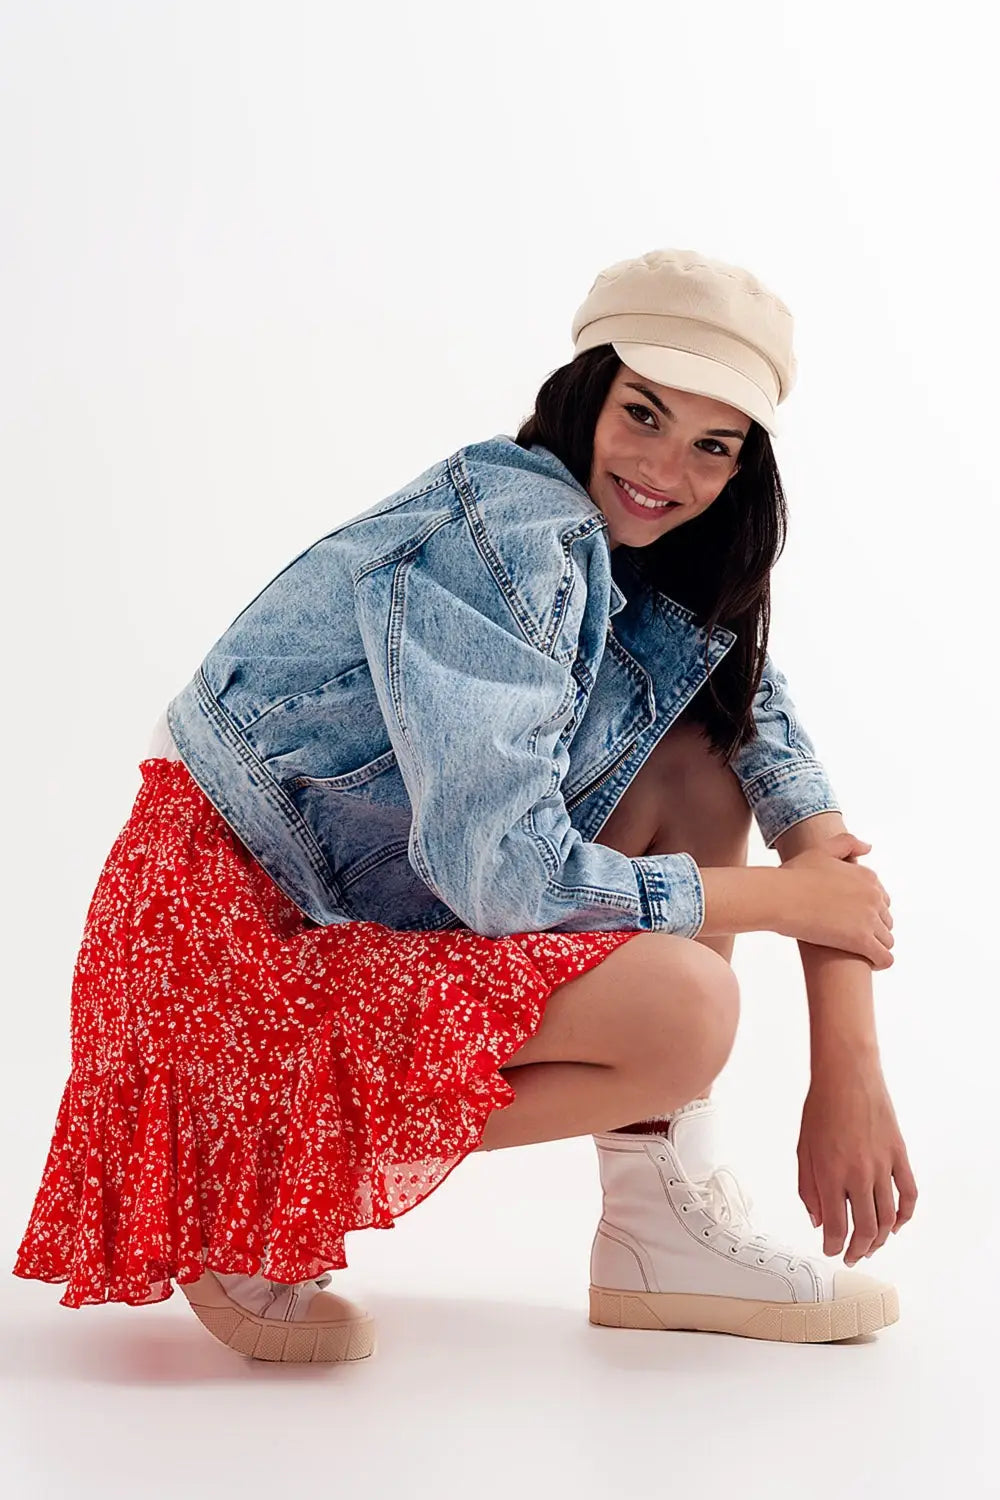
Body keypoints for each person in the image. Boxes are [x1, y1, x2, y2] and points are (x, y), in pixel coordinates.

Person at [13, 248, 916, 1364]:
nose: (665, 469)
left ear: (743, 471)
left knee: (700, 753)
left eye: (711, 446)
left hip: (340, 927)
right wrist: (782, 905)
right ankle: (241, 1180)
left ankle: (660, 1230)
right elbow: (512, 881)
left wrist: (849, 1065)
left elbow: (805, 818)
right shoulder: (514, 531)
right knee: (684, 1011)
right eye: (643, 413)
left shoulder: (658, 571)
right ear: (587, 392)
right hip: (224, 952)